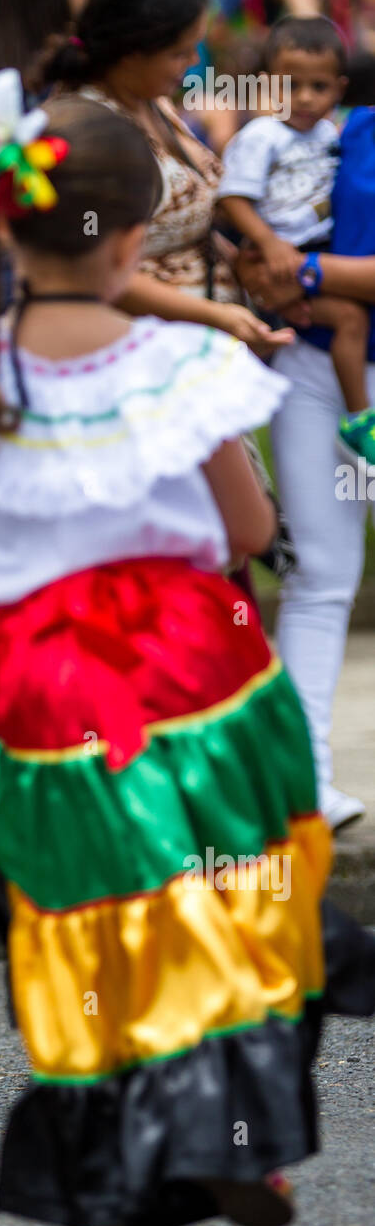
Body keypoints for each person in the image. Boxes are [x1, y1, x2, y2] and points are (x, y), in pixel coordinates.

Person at [0, 80, 375, 1226]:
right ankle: (237, 1140)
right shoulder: (180, 365)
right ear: (135, 236)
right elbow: (242, 534)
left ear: (3, 222)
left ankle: (92, 1222)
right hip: (198, 680)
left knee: (83, 934)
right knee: (226, 910)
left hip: (45, 697)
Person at [236, 105, 375, 830]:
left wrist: (310, 270)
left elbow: (303, 257)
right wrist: (262, 267)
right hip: (318, 370)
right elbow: (252, 226)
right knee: (319, 577)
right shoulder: (342, 126)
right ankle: (306, 780)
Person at [45, 0, 294, 358]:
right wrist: (216, 315)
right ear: (132, 51)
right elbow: (95, 266)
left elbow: (184, 219)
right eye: (179, 52)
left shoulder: (152, 100)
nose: (193, 61)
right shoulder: (86, 130)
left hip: (200, 350)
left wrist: (245, 265)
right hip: (140, 356)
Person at [219, 17, 373, 447]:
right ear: (268, 84)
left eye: (318, 87)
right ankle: (359, 417)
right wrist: (269, 244)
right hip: (281, 250)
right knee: (349, 316)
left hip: (317, 250)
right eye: (290, 86)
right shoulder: (261, 136)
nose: (304, 98)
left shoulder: (331, 134)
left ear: (340, 88)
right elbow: (231, 198)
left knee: (347, 315)